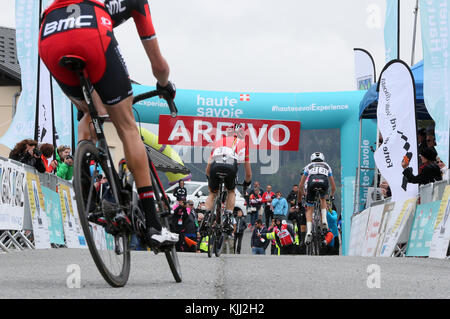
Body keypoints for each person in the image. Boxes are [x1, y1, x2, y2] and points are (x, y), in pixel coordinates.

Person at [38, 0, 178, 247]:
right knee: (127, 127)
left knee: (91, 112)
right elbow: (158, 66)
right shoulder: (133, 2)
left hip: (50, 31)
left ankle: (85, 191)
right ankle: (154, 225)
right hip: (92, 32)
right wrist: (165, 84)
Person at [204, 123, 252, 229]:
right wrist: (247, 183)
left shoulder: (219, 141)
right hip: (231, 168)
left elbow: (209, 164)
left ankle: (206, 216)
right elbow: (248, 173)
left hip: (215, 167)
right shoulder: (243, 143)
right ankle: (229, 216)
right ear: (239, 133)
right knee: (231, 191)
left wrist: (209, 176)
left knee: (212, 193)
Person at [297, 152, 336, 245]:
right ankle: (324, 221)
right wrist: (331, 196)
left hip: (312, 183)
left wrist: (302, 195)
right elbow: (333, 186)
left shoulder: (309, 166)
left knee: (310, 208)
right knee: (323, 199)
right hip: (324, 182)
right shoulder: (327, 166)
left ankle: (309, 231)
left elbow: (301, 185)